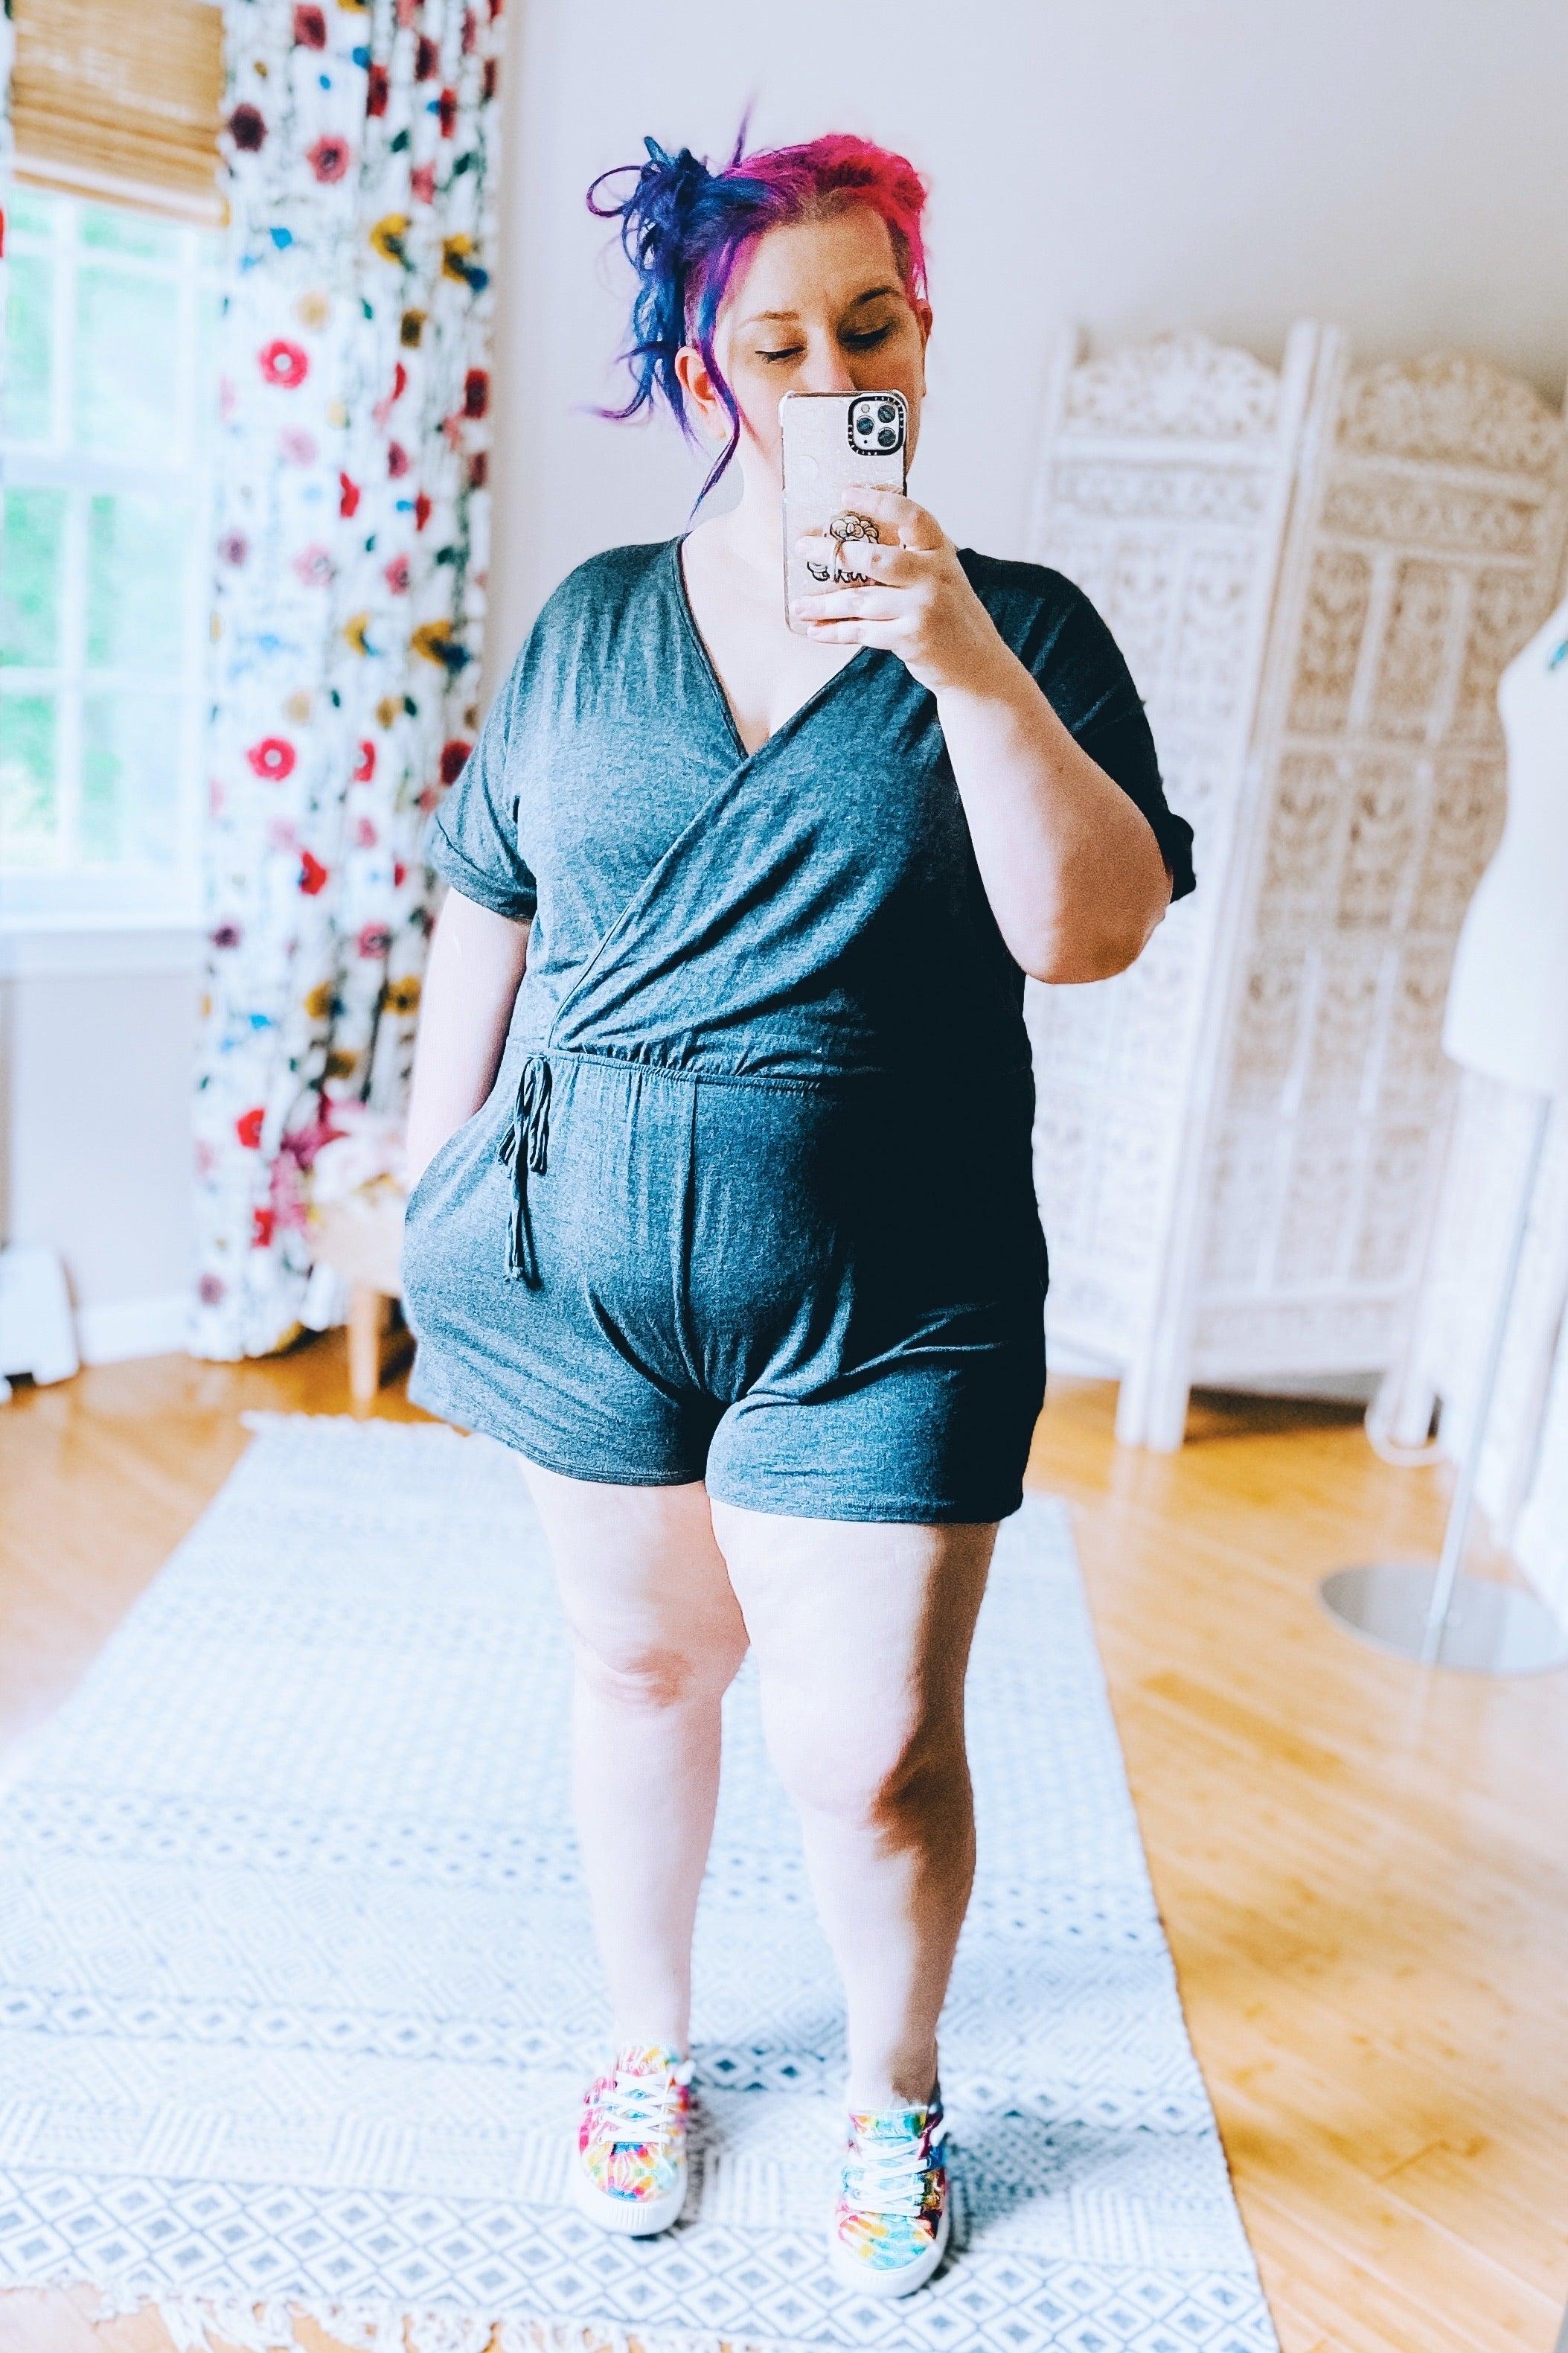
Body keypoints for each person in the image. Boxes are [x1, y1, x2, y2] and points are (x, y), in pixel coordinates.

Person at [400, 129, 1194, 2299]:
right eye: (779, 338)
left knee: (868, 1757)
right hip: (583, 1268)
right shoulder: (589, 623)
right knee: (641, 1665)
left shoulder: (1020, 629)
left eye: (873, 322)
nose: (836, 363)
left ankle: (891, 2083)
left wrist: (955, 662)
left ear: (921, 329)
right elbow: (487, 883)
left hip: (890, 1284)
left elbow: (1091, 932)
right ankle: (647, 2046)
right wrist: (426, 1164)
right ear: (705, 368)